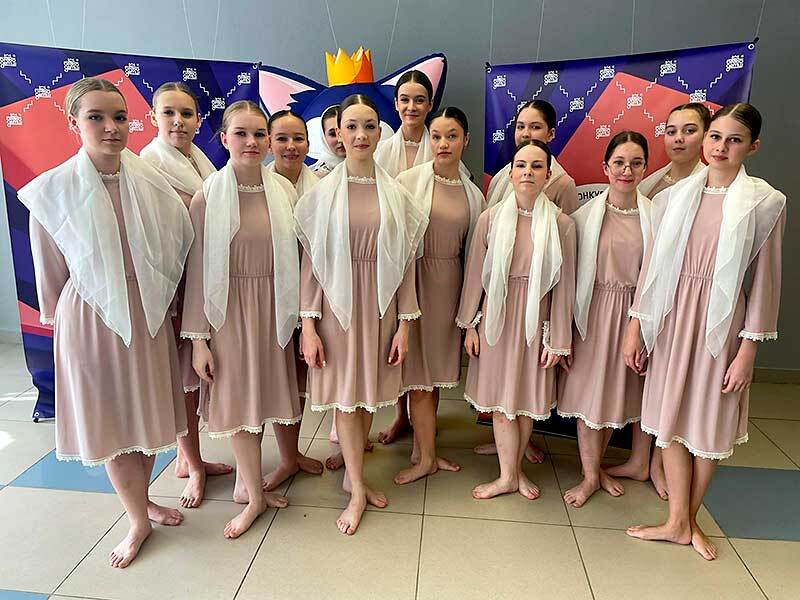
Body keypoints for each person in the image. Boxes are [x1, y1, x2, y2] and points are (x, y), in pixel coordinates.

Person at [20, 78, 194, 568]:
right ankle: (137, 518)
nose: (110, 127)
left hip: (148, 312)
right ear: (73, 123)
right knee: (114, 422)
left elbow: (177, 242)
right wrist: (69, 323)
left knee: (145, 416)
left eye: (118, 117)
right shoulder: (52, 192)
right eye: (95, 117)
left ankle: (145, 500)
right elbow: (51, 274)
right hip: (91, 316)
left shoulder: (152, 181)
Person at [624, 104, 785, 560]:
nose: (720, 147)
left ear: (752, 146)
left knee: (709, 422)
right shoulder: (674, 197)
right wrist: (637, 326)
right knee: (670, 419)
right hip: (673, 319)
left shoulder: (765, 202)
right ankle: (678, 522)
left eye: (734, 140)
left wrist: (748, 350)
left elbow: (766, 282)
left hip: (723, 326)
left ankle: (686, 519)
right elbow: (654, 269)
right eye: (715, 137)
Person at [296, 94, 427, 534]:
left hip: (381, 308)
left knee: (368, 395)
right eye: (350, 126)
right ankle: (356, 488)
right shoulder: (320, 196)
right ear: (336, 133)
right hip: (337, 310)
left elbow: (406, 267)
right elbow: (312, 269)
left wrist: (405, 325)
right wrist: (309, 326)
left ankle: (354, 475)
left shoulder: (398, 195)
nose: (359, 135)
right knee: (346, 399)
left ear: (379, 131)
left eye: (369, 126)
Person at [180, 100, 302, 538]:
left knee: (263, 399)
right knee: (241, 406)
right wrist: (198, 339)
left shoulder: (284, 191)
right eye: (241, 134)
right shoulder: (207, 195)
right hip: (228, 314)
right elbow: (197, 272)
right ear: (224, 138)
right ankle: (254, 498)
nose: (252, 142)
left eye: (259, 134)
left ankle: (246, 483)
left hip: (274, 307)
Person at [456, 140, 576, 500]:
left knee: (524, 402)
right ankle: (508, 475)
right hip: (496, 318)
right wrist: (470, 324)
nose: (528, 172)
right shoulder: (490, 219)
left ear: (548, 175)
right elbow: (474, 276)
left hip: (536, 323)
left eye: (536, 166)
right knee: (502, 402)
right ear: (510, 174)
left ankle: (514, 471)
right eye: (521, 165)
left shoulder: (562, 224)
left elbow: (564, 287)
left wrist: (558, 339)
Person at [608, 103, 710, 500]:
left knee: (673, 383)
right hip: (645, 296)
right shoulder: (651, 185)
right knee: (644, 380)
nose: (679, 139)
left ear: (706, 136)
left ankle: (661, 463)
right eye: (671, 131)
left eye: (689, 130)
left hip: (687, 300)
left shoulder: (709, 185)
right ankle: (640, 459)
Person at [140, 81, 232, 508]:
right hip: (172, 287)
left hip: (201, 278)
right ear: (153, 118)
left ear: (198, 120)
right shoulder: (148, 166)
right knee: (184, 381)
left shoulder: (199, 161)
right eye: (169, 113)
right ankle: (194, 465)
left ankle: (187, 455)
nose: (178, 122)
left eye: (187, 114)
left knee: (195, 376)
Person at [557, 131, 652, 507]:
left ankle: (597, 469)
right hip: (592, 314)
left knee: (615, 396)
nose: (626, 170)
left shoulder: (655, 218)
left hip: (633, 317)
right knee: (589, 396)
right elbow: (567, 278)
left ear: (645, 168)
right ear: (605, 167)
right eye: (619, 163)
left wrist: (642, 326)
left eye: (635, 163)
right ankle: (590, 475)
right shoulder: (582, 218)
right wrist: (563, 331)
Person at [393, 107, 485, 484]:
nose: (443, 143)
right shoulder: (407, 181)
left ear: (465, 140)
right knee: (418, 377)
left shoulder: (473, 194)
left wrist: (471, 310)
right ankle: (427, 457)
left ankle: (423, 450)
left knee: (433, 378)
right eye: (436, 136)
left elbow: (475, 252)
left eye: (452, 136)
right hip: (415, 281)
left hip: (451, 285)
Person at [309, 104, 346, 177]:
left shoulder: (368, 166)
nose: (340, 140)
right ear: (324, 137)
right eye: (333, 134)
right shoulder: (315, 177)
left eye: (344, 132)